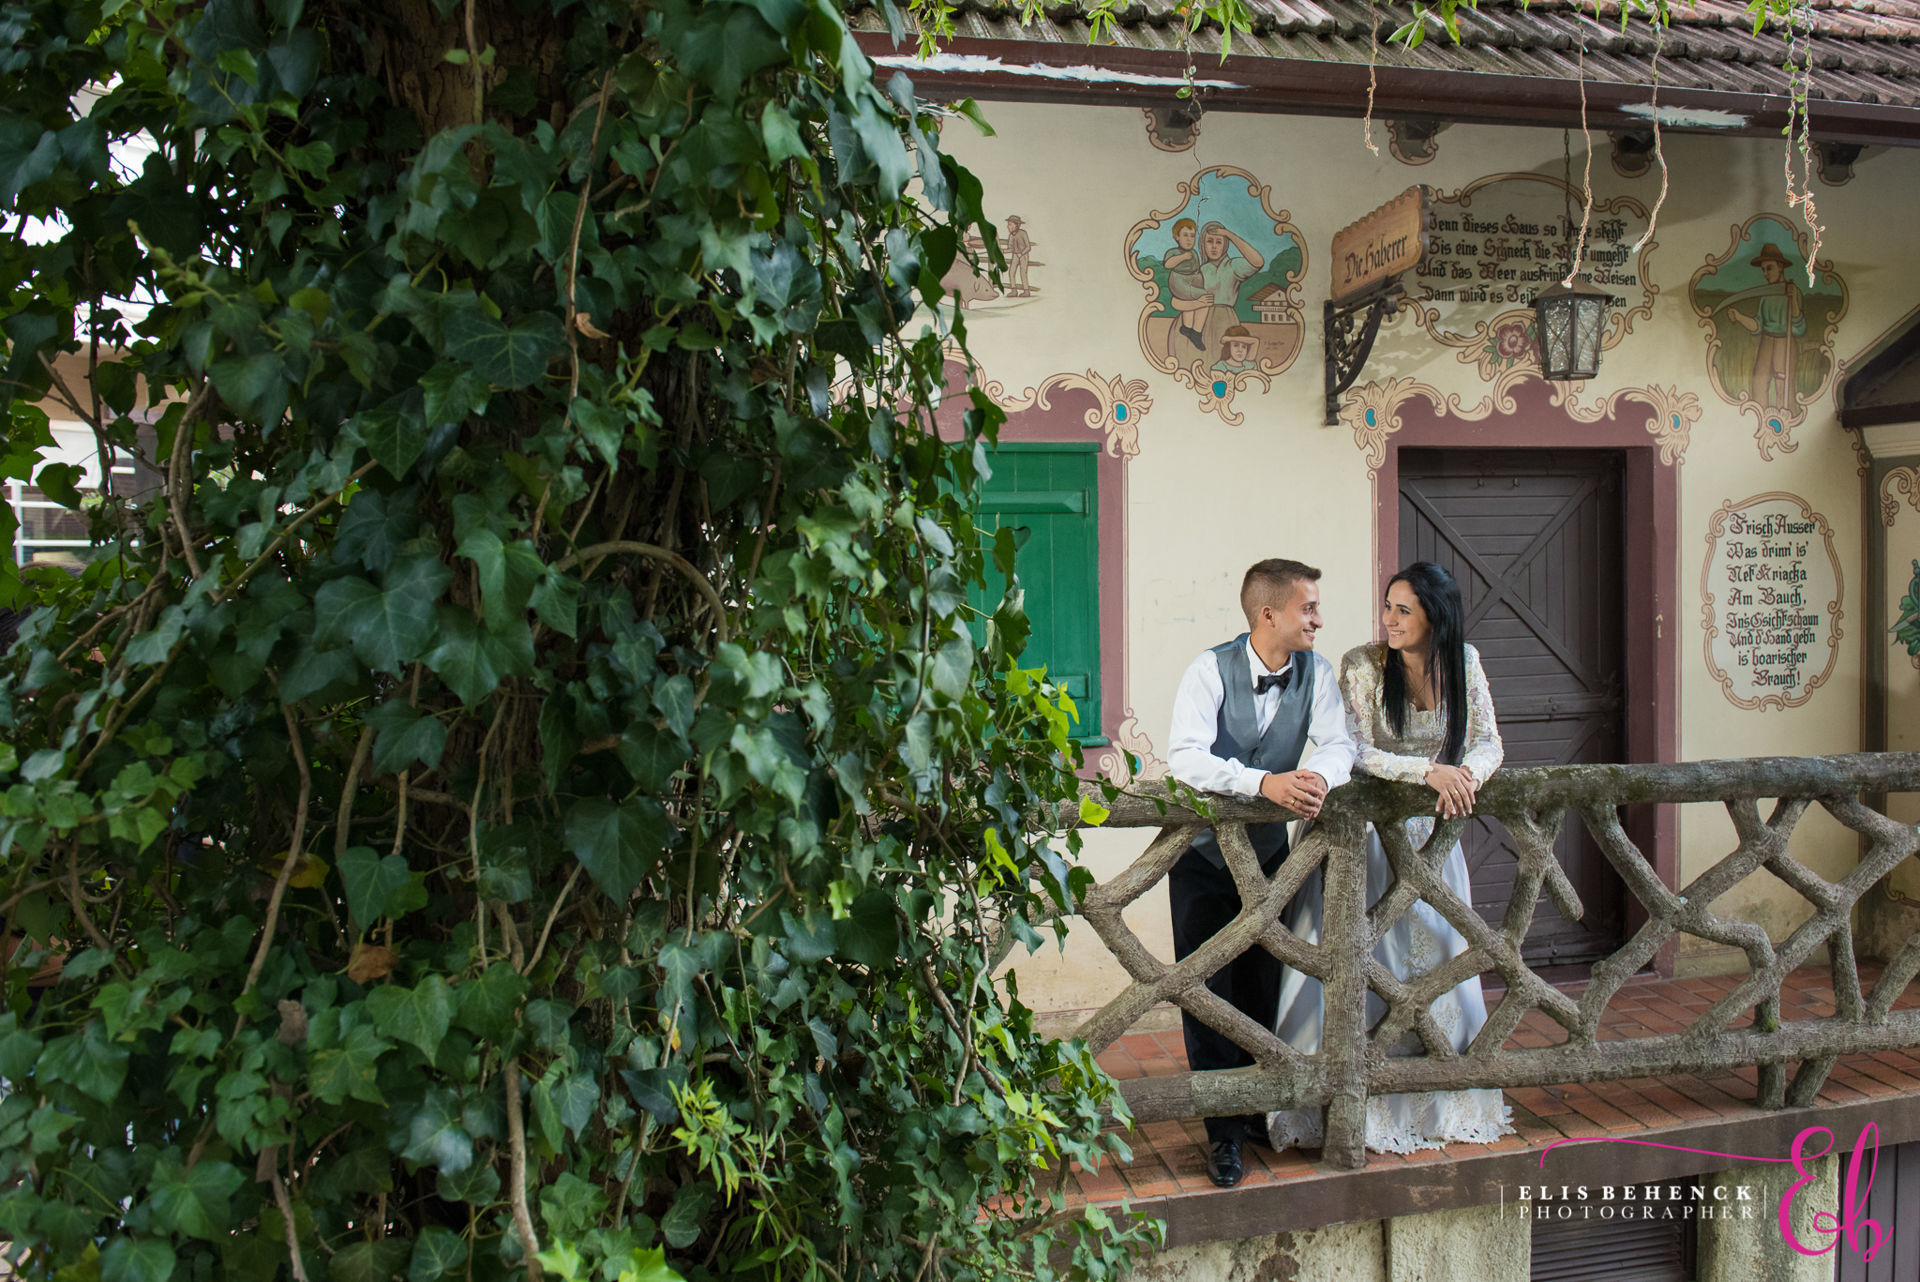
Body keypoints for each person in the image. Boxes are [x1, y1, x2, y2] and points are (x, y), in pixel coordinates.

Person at [1266, 561, 1514, 1155]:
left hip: (1433, 841)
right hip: (1364, 839)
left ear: (1436, 615)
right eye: (1387, 607)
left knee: (1439, 964)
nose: (1389, 620)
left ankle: (1438, 1103)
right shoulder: (1362, 665)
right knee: (1359, 960)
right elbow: (1351, 749)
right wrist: (1430, 771)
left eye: (1404, 610)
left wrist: (1466, 778)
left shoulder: (1466, 663)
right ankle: (1343, 1103)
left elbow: (1489, 742)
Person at [1167, 559, 1356, 1187]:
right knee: (1204, 991)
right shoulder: (1208, 669)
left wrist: (1320, 776)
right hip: (1201, 859)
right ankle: (1221, 1134)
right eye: (1308, 609)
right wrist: (1262, 783)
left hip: (1274, 858)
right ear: (1267, 614)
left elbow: (1338, 743)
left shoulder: (1317, 674)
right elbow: (1186, 759)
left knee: (1261, 984)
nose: (1318, 620)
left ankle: (1253, 1112)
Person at [1723, 242, 1804, 411]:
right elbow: (1758, 325)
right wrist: (1739, 317)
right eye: (1763, 270)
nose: (1765, 274)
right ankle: (1762, 424)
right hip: (1766, 342)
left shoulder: (1793, 291)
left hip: (1784, 343)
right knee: (1758, 384)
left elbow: (1799, 326)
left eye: (1769, 268)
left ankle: (1784, 428)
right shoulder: (1766, 296)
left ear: (1780, 267)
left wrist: (1793, 299)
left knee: (1784, 389)